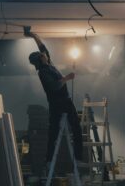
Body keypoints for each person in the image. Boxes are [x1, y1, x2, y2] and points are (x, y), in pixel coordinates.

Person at [25, 27, 83, 166]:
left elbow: (42, 47)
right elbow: (55, 86)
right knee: (54, 132)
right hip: (57, 103)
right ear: (40, 60)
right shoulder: (43, 73)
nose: (44, 54)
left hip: (65, 100)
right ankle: (49, 159)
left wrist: (33, 35)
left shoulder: (48, 63)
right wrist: (66, 78)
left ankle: (78, 158)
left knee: (76, 127)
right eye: (42, 55)